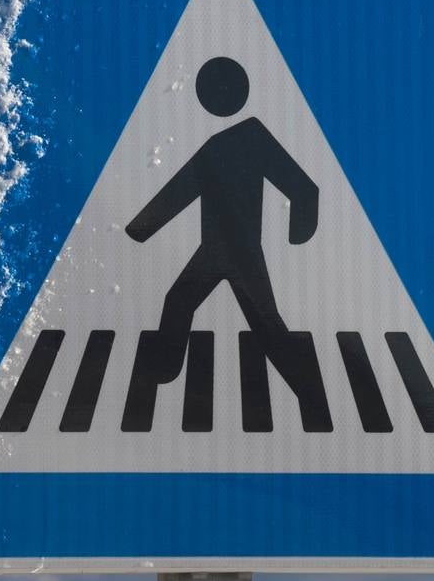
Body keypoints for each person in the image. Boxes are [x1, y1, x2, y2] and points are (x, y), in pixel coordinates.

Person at [122, 55, 329, 431]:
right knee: (179, 302)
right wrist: (141, 227)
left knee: (266, 326)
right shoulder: (219, 146)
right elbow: (180, 191)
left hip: (241, 252)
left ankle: (310, 393)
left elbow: (302, 187)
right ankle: (164, 370)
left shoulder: (250, 138)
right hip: (214, 250)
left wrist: (299, 230)